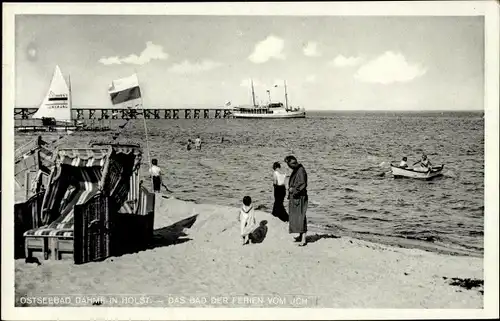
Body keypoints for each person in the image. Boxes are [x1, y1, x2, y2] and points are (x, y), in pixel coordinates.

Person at [285, 155, 308, 247]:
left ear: (293, 163)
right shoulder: (297, 169)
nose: (289, 167)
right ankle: (300, 236)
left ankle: (303, 239)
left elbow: (302, 184)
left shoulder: (301, 171)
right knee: (297, 217)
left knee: (301, 217)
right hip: (296, 197)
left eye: (289, 165)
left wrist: (293, 190)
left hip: (300, 197)